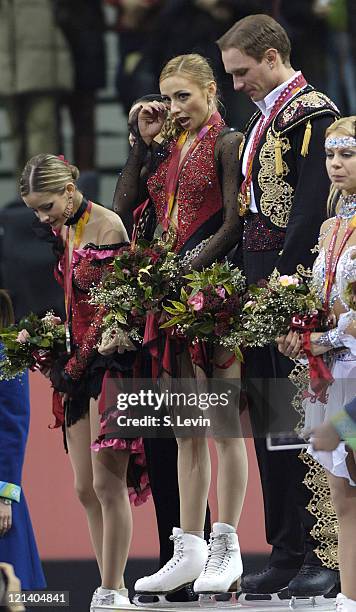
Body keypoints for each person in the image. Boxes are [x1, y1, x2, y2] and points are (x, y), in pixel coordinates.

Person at [112, 53, 248, 598]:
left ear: (211, 92)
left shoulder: (228, 142)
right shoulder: (167, 144)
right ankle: (187, 547)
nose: (174, 107)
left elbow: (235, 224)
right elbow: (124, 213)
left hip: (210, 293)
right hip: (170, 298)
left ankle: (226, 544)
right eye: (167, 97)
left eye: (183, 96)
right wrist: (140, 144)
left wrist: (182, 273)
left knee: (223, 428)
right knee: (186, 431)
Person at [217, 13, 340, 600]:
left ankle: (324, 552)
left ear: (270, 56)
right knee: (274, 423)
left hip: (288, 286)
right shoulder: (266, 116)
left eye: (242, 73)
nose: (236, 85)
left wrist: (286, 286)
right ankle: (287, 549)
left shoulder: (312, 115)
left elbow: (312, 207)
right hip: (257, 282)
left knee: (304, 421)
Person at [19, 154, 150, 611]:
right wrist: (49, 335)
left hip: (109, 364)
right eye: (36, 210)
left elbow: (115, 305)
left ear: (70, 190)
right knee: (82, 487)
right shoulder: (65, 229)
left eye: (46, 206)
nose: (42, 217)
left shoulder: (108, 225)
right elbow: (76, 301)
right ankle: (105, 582)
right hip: (77, 363)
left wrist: (79, 360)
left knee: (107, 483)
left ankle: (114, 588)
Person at [277, 116, 356, 612]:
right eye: (330, 155)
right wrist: (298, 336)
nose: (335, 164)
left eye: (347, 154)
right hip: (331, 378)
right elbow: (325, 304)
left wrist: (320, 340)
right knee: (342, 495)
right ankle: (349, 596)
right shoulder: (329, 227)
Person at [0, 291, 46, 593]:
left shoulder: (6, 357)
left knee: (9, 594)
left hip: (0, 497)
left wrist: (5, 496)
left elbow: (13, 432)